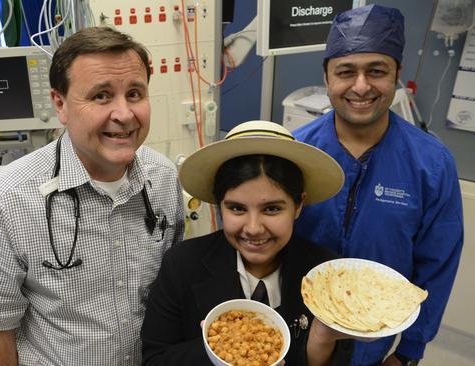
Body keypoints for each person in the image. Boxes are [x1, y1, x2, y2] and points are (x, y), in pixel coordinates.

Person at [0, 27, 185, 366]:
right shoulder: (7, 200)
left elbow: (175, 293)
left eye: (134, 94)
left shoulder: (164, 178)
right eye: (101, 96)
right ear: (60, 104)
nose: (124, 114)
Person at [293, 5, 464, 366]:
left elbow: (437, 264)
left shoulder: (431, 164)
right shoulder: (296, 153)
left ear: (397, 74)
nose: (361, 86)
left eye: (377, 71)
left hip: (374, 344)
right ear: (327, 77)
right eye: (345, 72)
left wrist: (408, 352)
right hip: (296, 333)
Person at [141, 120, 354, 366]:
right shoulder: (182, 265)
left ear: (298, 205)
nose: (253, 228)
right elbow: (154, 359)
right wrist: (218, 348)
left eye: (272, 209)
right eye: (237, 209)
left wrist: (321, 339)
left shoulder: (328, 278)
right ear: (219, 207)